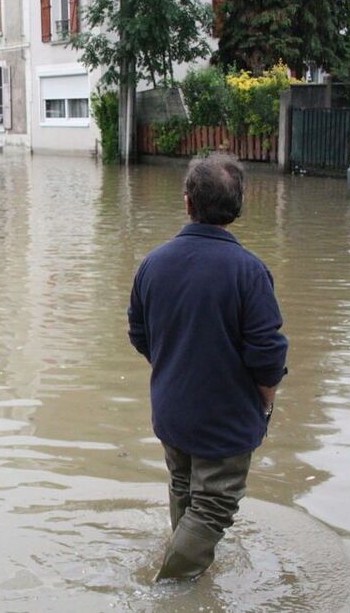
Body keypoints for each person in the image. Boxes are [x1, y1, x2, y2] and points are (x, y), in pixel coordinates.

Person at [127, 153, 289, 581]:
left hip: (171, 407)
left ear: (187, 203)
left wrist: (174, 366)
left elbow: (139, 333)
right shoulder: (249, 272)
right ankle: (171, 587)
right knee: (214, 505)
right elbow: (267, 353)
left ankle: (189, 569)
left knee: (184, 488)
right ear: (238, 206)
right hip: (224, 416)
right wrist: (266, 402)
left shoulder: (153, 264)